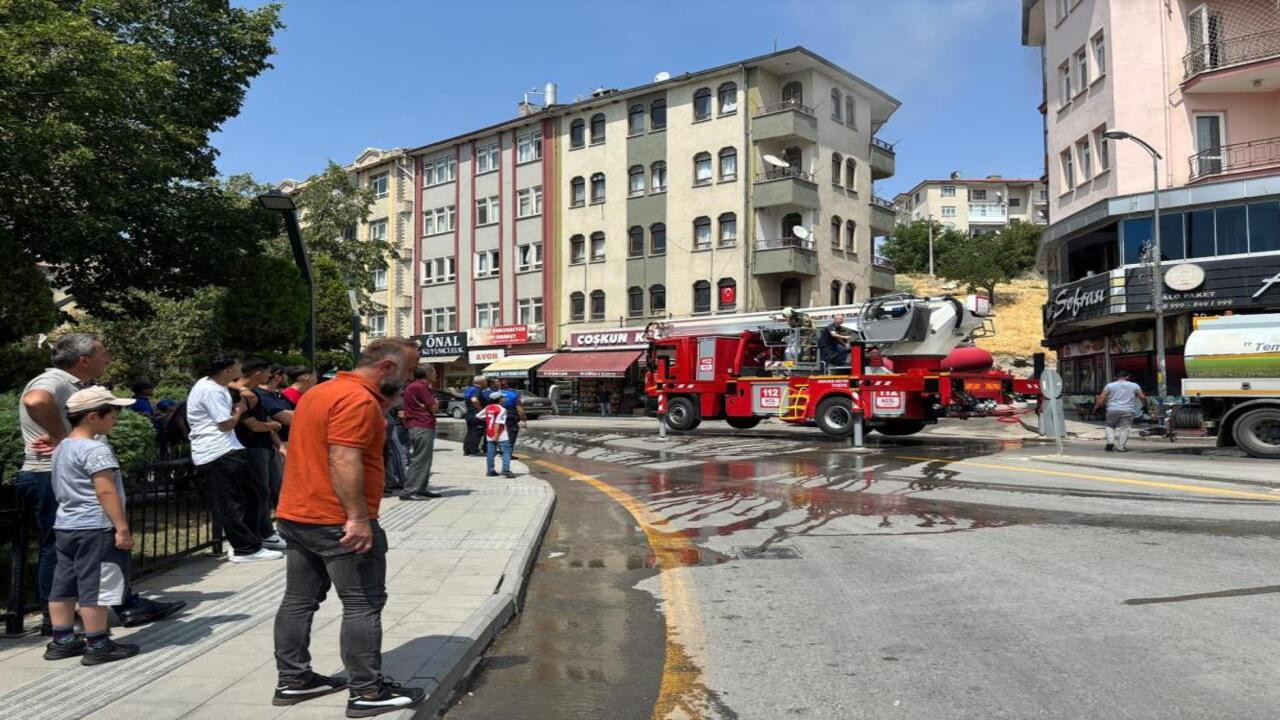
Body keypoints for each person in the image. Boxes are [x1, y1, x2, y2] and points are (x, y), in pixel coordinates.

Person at [272, 338, 426, 716]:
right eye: (407, 373)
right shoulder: (358, 400)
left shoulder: (321, 392)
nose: (409, 381)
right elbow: (343, 458)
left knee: (299, 599)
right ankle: (367, 692)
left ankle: (293, 680)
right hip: (336, 520)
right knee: (363, 603)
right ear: (387, 368)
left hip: (297, 513)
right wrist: (357, 518)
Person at [18, 333, 184, 634]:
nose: (107, 360)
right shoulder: (55, 380)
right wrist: (63, 438)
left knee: (79, 549)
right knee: (65, 548)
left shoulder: (76, 385)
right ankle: (59, 620)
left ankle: (118, 604)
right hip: (50, 473)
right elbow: (35, 400)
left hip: (62, 473)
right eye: (103, 354)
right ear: (83, 360)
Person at [43, 387, 141, 665]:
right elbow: (105, 491)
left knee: (63, 585)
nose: (116, 420)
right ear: (93, 417)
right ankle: (97, 644)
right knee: (96, 586)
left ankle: (62, 640)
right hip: (96, 527)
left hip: (66, 525)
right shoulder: (96, 449)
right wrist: (121, 528)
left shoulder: (62, 446)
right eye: (113, 414)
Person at [187, 355, 283, 562]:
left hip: (228, 450)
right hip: (219, 451)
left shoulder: (211, 383)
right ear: (227, 370)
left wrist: (241, 389)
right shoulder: (211, 391)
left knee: (256, 493)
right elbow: (225, 424)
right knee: (233, 502)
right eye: (238, 366)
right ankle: (244, 549)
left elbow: (234, 384)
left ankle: (253, 540)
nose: (241, 368)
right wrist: (239, 410)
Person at [233, 357, 287, 545]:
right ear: (257, 372)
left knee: (269, 490)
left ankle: (267, 531)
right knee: (259, 492)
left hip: (265, 447)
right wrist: (275, 425)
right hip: (252, 447)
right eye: (267, 372)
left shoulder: (253, 393)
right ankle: (263, 533)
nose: (269, 376)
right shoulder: (240, 394)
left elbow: (264, 422)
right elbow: (255, 425)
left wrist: (278, 445)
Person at [400, 365, 440, 500]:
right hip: (421, 425)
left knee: (425, 459)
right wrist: (435, 403)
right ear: (427, 373)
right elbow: (434, 407)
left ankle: (421, 488)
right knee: (420, 459)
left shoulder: (416, 386)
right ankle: (410, 490)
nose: (436, 375)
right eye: (434, 372)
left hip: (420, 425)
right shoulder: (420, 387)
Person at [1094, 370, 1148, 453]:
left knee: (1110, 425)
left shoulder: (1110, 385)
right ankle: (1121, 447)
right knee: (1125, 428)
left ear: (1116, 377)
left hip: (1112, 409)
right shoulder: (1134, 385)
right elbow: (1142, 397)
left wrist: (1097, 407)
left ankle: (1110, 442)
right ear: (1127, 377)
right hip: (1128, 410)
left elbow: (1102, 397)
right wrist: (1145, 406)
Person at [481, 391, 516, 478]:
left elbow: (478, 415)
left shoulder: (488, 407)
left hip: (489, 433)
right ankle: (505, 470)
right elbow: (498, 423)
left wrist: (488, 420)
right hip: (501, 434)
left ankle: (490, 471)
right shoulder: (501, 409)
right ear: (499, 399)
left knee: (490, 453)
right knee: (506, 451)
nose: (504, 398)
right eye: (502, 397)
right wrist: (496, 435)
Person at [461, 375, 489, 456]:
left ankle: (467, 450)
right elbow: (474, 400)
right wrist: (481, 411)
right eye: (485, 381)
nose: (486, 383)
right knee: (476, 433)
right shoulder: (477, 390)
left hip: (469, 414)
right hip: (476, 415)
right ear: (481, 382)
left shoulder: (469, 389)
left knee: (470, 432)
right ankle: (474, 451)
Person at [499, 382, 527, 451]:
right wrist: (523, 419)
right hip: (511, 417)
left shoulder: (500, 393)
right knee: (511, 436)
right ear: (516, 387)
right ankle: (507, 453)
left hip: (499, 416)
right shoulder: (515, 394)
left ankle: (501, 451)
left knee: (501, 434)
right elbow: (519, 409)